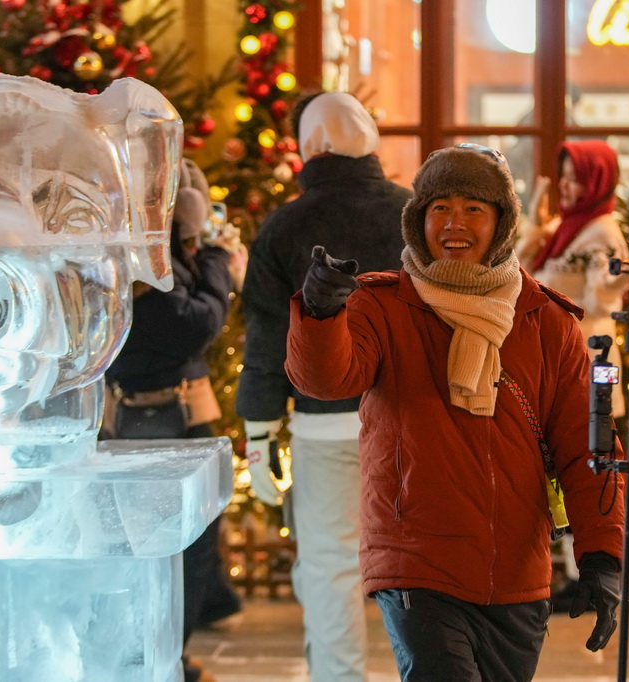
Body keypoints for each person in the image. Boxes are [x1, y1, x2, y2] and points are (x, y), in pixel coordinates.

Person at [284, 144, 625, 681]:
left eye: (473, 208)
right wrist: (322, 313)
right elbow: (326, 380)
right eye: (439, 207)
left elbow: (588, 444)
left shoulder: (546, 321)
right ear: (418, 220)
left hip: (515, 571)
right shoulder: (384, 305)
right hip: (417, 560)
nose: (454, 223)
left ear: (502, 222)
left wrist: (602, 557)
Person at [236, 91, 411, 682]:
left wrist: (258, 431)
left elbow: (265, 334)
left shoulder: (286, 226)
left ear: (308, 149)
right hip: (411, 418)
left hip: (323, 421)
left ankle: (339, 678)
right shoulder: (414, 214)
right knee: (422, 563)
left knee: (329, 565)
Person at [105, 158, 246, 682]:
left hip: (154, 417)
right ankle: (162, 662)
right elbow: (194, 323)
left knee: (178, 547)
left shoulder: (147, 249)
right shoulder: (139, 262)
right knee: (178, 549)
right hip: (161, 420)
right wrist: (212, 254)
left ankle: (166, 658)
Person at [516, 139, 629, 417]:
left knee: (587, 448)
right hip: (555, 359)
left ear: (596, 182)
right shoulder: (562, 226)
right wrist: (534, 230)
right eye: (563, 177)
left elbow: (601, 301)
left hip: (587, 359)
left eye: (575, 179)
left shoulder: (603, 233)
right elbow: (519, 276)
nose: (563, 186)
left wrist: (621, 277)